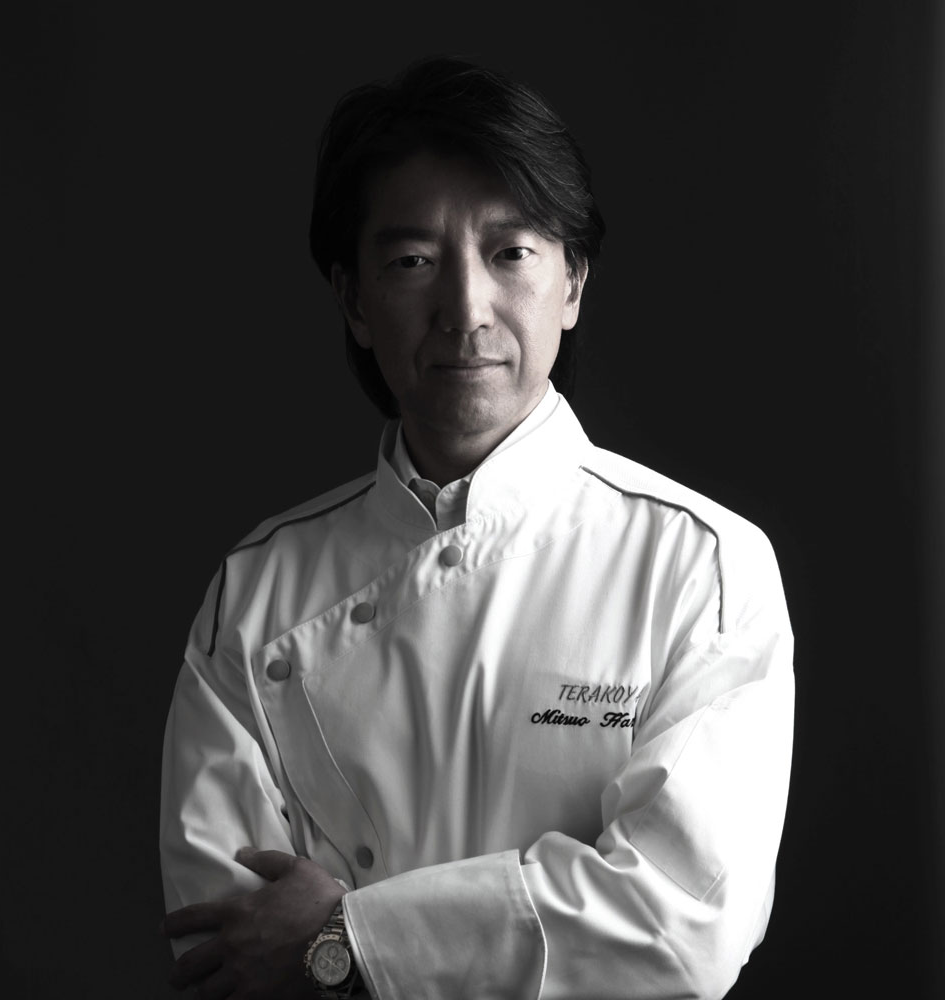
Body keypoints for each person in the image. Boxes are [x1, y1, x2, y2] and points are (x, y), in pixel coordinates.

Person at [160, 56, 795, 1000]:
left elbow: (676, 927)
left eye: (511, 253)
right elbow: (230, 952)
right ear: (354, 300)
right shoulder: (259, 590)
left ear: (572, 283)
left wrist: (344, 940)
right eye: (413, 261)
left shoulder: (701, 566)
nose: (464, 309)